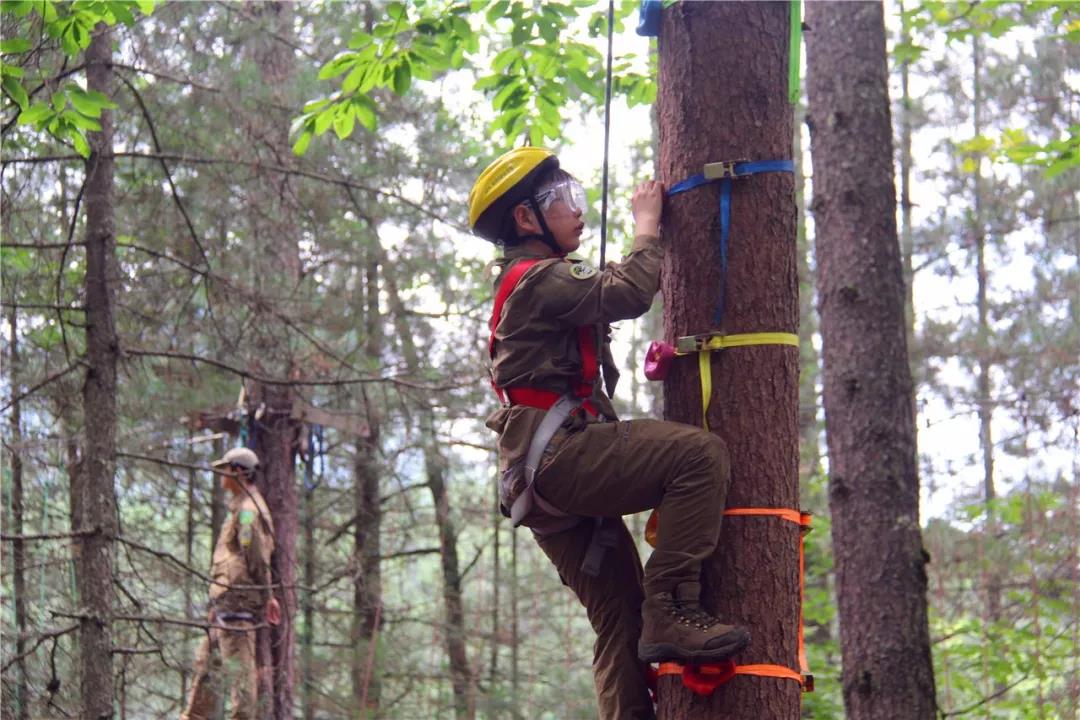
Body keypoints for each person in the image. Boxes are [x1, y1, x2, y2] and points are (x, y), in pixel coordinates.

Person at [470, 147, 750, 719]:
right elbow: (626, 291)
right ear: (526, 220)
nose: (577, 211)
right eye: (562, 201)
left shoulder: (526, 284)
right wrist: (648, 226)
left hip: (535, 481)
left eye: (576, 196)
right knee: (698, 457)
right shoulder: (539, 279)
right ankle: (673, 605)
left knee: (620, 621)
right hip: (561, 459)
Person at [181, 447, 280, 720]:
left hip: (237, 602)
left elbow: (256, 556)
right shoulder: (240, 507)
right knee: (206, 668)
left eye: (225, 468)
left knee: (239, 674)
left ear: (237, 472)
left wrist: (268, 596)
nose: (221, 474)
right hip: (224, 602)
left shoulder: (248, 511)